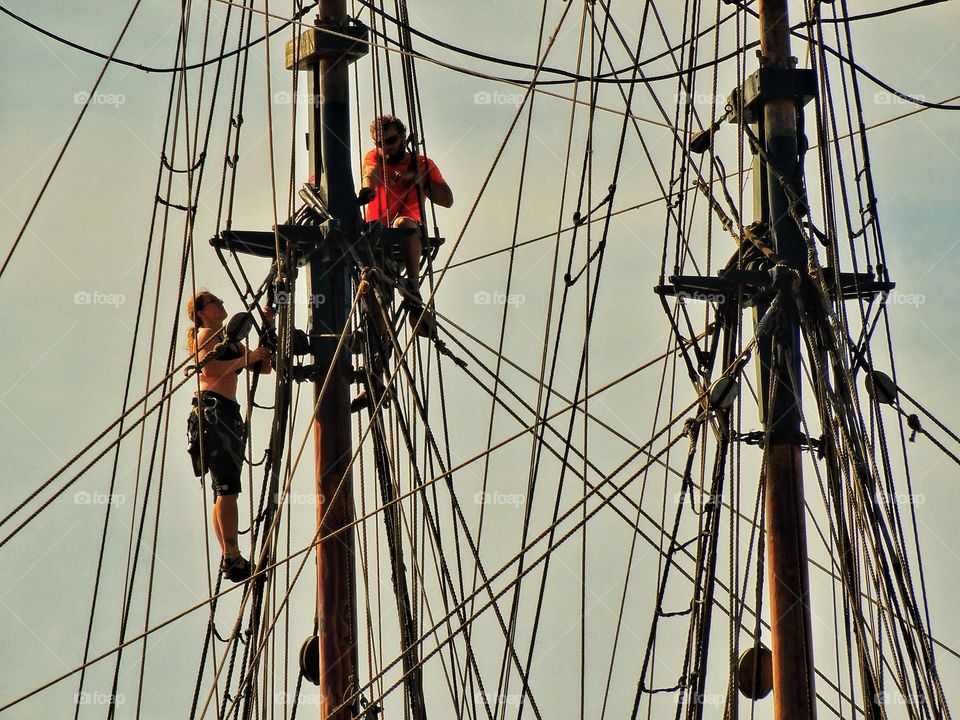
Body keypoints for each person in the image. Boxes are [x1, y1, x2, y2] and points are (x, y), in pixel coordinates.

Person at [185, 291, 272, 583]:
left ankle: (230, 555)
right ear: (201, 313)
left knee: (224, 489)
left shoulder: (230, 341)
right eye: (213, 302)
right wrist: (245, 359)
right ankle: (232, 555)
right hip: (213, 413)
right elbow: (211, 369)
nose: (221, 303)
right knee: (227, 489)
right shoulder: (205, 336)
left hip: (227, 415)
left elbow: (264, 368)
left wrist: (268, 328)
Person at [358, 115, 453, 331]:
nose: (385, 148)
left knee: (403, 224)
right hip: (376, 235)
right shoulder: (375, 157)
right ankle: (378, 342)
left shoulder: (422, 164)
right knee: (375, 294)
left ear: (402, 138)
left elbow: (447, 200)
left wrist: (419, 180)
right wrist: (368, 189)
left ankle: (413, 288)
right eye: (380, 144)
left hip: (408, 232)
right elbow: (370, 172)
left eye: (390, 141)